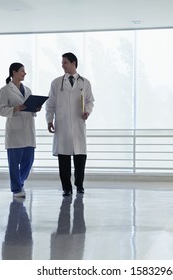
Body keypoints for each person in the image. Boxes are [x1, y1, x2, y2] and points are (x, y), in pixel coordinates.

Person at [46, 52, 95, 196]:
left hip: (79, 123)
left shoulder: (85, 82)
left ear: (73, 63)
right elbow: (50, 104)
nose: (62, 65)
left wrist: (87, 111)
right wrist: (49, 120)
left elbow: (90, 101)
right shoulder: (56, 83)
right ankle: (66, 188)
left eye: (65, 62)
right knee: (64, 159)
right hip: (62, 125)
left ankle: (79, 185)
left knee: (80, 158)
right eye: (62, 63)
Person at [0, 62, 41, 198]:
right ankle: (16, 189)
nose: (25, 73)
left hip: (28, 130)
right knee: (14, 163)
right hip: (15, 132)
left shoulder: (27, 90)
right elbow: (0, 110)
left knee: (28, 161)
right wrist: (14, 109)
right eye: (22, 71)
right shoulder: (5, 90)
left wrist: (35, 108)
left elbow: (29, 107)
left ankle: (20, 183)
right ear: (14, 72)